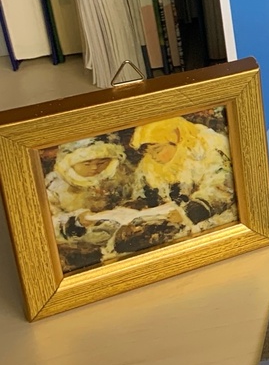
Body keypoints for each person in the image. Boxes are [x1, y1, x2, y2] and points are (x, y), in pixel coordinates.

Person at [115, 115, 238, 254]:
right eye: (148, 152)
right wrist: (137, 204)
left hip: (210, 221)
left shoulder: (207, 150)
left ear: (176, 141)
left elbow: (221, 187)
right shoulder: (149, 165)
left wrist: (187, 213)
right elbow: (143, 192)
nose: (153, 156)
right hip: (169, 219)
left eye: (157, 150)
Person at [44, 135, 136, 272]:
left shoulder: (122, 177)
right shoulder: (56, 186)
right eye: (86, 164)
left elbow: (136, 197)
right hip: (77, 250)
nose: (94, 168)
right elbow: (48, 223)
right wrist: (76, 221)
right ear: (70, 163)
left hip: (119, 241)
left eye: (102, 162)